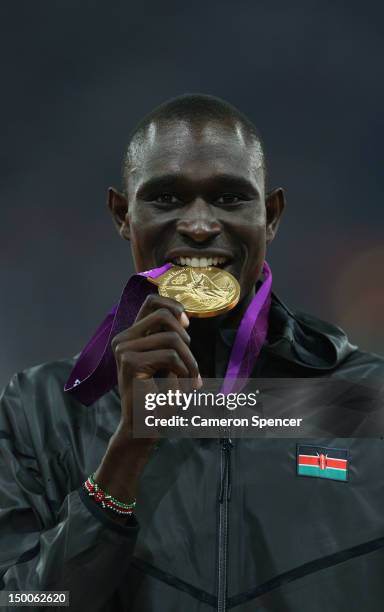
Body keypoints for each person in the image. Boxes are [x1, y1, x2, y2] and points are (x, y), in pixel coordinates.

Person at [1, 94, 384, 612]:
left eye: (229, 198)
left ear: (270, 216)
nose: (200, 225)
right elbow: (22, 602)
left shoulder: (360, 397)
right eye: (166, 198)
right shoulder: (42, 410)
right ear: (122, 213)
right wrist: (126, 453)